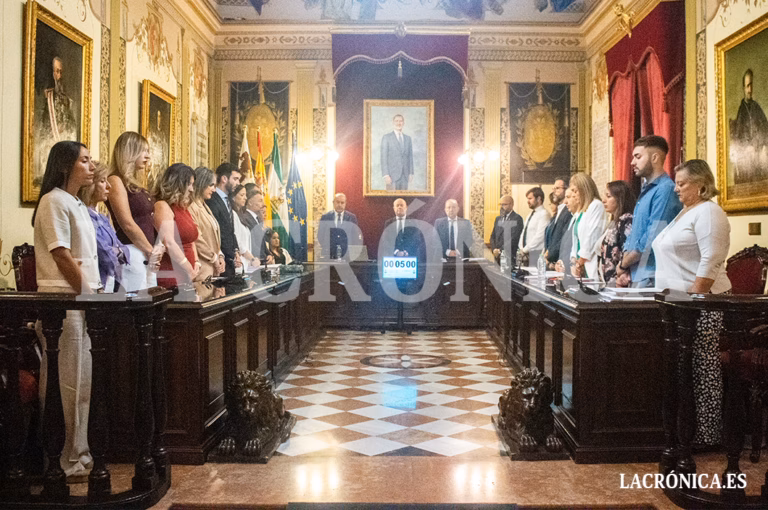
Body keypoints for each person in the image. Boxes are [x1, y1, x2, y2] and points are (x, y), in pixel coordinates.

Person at [32, 141, 100, 480]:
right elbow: (61, 255)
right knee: (66, 382)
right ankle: (63, 456)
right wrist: (86, 294)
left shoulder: (76, 202)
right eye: (84, 161)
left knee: (82, 383)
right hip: (64, 302)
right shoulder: (53, 201)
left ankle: (80, 450)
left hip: (82, 301)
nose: (91, 166)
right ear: (64, 166)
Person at [652, 159, 732, 446]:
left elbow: (711, 260)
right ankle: (683, 428)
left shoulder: (709, 212)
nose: (676, 189)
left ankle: (707, 435)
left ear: (701, 185)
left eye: (682, 183)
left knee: (702, 365)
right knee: (684, 368)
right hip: (678, 303)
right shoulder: (686, 212)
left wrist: (694, 302)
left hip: (702, 304)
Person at [617, 135, 683, 287]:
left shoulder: (665, 189)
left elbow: (652, 236)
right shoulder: (647, 190)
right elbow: (634, 233)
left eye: (638, 157)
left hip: (652, 273)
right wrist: (625, 265)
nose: (632, 162)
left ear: (655, 158)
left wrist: (623, 264)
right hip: (636, 272)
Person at [106, 131, 161, 291]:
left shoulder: (135, 183)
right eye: (143, 151)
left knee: (151, 301)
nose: (147, 156)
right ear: (129, 151)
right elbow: (126, 223)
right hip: (132, 252)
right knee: (137, 300)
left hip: (145, 253)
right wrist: (149, 250)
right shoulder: (115, 180)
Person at [79, 161, 130, 292]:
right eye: (102, 181)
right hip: (97, 284)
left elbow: (124, 250)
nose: (109, 186)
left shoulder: (102, 217)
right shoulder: (85, 216)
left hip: (112, 283)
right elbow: (104, 254)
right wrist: (117, 252)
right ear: (90, 185)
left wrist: (117, 251)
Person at [154, 164, 199, 288]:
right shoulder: (162, 206)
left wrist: (196, 261)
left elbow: (191, 239)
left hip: (188, 273)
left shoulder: (183, 208)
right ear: (177, 183)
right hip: (172, 273)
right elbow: (168, 242)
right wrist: (188, 267)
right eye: (189, 184)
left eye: (193, 185)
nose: (192, 189)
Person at [36, 57, 77, 185]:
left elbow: (70, 123)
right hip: (48, 139)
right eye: (56, 71)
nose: (58, 75)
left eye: (60, 71)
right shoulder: (45, 96)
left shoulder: (66, 99)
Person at [730, 68, 768, 184]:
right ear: (743, 88)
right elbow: (737, 139)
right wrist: (748, 147)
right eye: (747, 86)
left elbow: (765, 130)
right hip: (747, 156)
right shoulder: (741, 111)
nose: (750, 90)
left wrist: (763, 146)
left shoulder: (757, 107)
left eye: (751, 85)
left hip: (759, 152)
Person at [568, 173, 607, 279]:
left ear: (584, 189)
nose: (573, 195)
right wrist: (574, 260)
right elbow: (576, 240)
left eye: (575, 191)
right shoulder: (581, 211)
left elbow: (592, 237)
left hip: (590, 262)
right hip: (579, 264)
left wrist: (580, 262)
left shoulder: (596, 205)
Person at [189, 167, 224, 282]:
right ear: (201, 183)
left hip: (212, 267)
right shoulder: (192, 206)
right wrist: (213, 257)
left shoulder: (205, 206)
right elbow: (197, 238)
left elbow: (213, 236)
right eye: (211, 185)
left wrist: (220, 255)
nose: (214, 190)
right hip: (202, 267)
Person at [206, 163, 241, 276]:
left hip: (230, 260)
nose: (238, 183)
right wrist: (222, 255)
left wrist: (236, 250)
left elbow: (230, 230)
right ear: (224, 179)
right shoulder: (211, 199)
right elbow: (216, 231)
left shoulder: (227, 199)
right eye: (235, 179)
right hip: (219, 261)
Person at [600, 180, 636, 286]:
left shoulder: (627, 220)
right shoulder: (614, 222)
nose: (603, 200)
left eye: (608, 196)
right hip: (610, 282)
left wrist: (621, 273)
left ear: (620, 198)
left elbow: (627, 252)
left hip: (620, 281)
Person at [317, 193, 360, 259]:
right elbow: (320, 236)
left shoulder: (352, 218)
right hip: (329, 254)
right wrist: (328, 247)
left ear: (345, 203)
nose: (340, 205)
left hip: (347, 255)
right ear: (333, 202)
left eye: (342, 203)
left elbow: (356, 237)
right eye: (337, 202)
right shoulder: (325, 217)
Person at [544, 177, 572, 270]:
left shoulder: (568, 211)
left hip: (561, 261)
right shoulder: (559, 210)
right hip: (553, 261)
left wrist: (550, 255)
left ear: (567, 189)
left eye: (557, 188)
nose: (554, 191)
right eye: (553, 188)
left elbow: (564, 238)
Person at [518, 187, 552, 264]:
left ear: (538, 199)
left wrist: (525, 250)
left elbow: (540, 236)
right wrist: (521, 248)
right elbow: (524, 232)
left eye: (530, 198)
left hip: (536, 254)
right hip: (526, 254)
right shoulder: (530, 214)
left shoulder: (544, 214)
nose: (528, 201)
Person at [380, 114, 414, 190]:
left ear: (403, 123)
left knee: (404, 197)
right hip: (391, 176)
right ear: (393, 122)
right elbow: (383, 158)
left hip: (405, 176)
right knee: (391, 196)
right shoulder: (386, 137)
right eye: (396, 121)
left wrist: (411, 173)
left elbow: (410, 157)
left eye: (401, 121)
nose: (399, 123)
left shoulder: (408, 139)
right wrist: (386, 175)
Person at [230, 184, 259, 270]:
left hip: (246, 263)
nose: (245, 198)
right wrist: (252, 258)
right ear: (233, 197)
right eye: (242, 195)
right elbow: (238, 242)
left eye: (245, 195)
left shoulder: (241, 215)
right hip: (239, 263)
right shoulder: (233, 214)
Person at [490, 195, 523, 265]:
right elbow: (493, 236)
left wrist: (500, 250)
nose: (502, 207)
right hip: (497, 257)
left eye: (504, 204)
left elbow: (514, 238)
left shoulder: (517, 218)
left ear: (511, 205)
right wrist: (494, 249)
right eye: (500, 204)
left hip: (510, 257)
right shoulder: (498, 219)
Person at [243, 188, 273, 263]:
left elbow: (262, 243)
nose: (263, 204)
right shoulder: (245, 218)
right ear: (250, 202)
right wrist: (264, 258)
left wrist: (269, 254)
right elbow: (253, 244)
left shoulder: (257, 219)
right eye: (260, 201)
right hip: (254, 262)